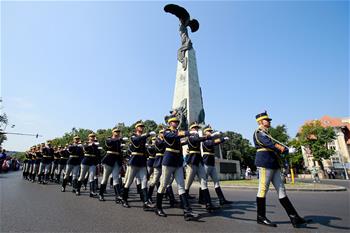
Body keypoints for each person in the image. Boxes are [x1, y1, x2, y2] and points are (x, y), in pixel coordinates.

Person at [253, 111, 311, 228]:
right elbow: (269, 145)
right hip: (265, 163)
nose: (269, 121)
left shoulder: (267, 133)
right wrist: (285, 150)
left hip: (274, 164)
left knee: (281, 190)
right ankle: (261, 217)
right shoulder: (259, 133)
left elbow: (273, 144)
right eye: (267, 120)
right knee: (263, 189)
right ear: (260, 122)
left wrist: (285, 149)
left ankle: (294, 217)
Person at [154, 116, 198, 221]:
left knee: (181, 186)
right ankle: (158, 207)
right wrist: (188, 132)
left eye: (177, 122)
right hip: (168, 161)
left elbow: (180, 140)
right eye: (174, 122)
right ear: (170, 123)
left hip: (178, 162)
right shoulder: (166, 132)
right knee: (163, 185)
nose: (176, 123)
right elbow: (174, 136)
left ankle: (187, 211)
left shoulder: (178, 133)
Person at [184, 122, 216, 212]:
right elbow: (197, 140)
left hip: (199, 161)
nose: (196, 129)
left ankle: (208, 203)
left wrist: (210, 136)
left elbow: (200, 140)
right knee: (188, 183)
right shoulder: (191, 137)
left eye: (197, 128)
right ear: (191, 129)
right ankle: (184, 201)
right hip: (192, 161)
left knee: (204, 182)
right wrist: (207, 136)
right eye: (194, 128)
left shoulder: (197, 136)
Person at [201, 126, 232, 206]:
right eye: (208, 131)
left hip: (212, 163)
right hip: (206, 162)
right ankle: (202, 199)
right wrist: (222, 139)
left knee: (216, 182)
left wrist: (221, 139)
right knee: (204, 182)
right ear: (205, 133)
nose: (210, 132)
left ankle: (222, 199)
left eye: (211, 131)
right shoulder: (205, 141)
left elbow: (214, 141)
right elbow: (213, 143)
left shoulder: (210, 139)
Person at [99, 127, 126, 203]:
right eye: (116, 131)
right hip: (109, 160)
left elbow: (120, 151)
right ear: (112, 132)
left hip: (117, 161)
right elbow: (109, 143)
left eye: (118, 131)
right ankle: (101, 194)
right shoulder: (109, 139)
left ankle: (118, 196)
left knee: (116, 178)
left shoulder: (119, 141)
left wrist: (122, 159)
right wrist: (118, 139)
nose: (117, 133)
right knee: (105, 178)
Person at [76, 133, 101, 197]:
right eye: (91, 137)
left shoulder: (95, 145)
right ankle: (77, 189)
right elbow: (85, 149)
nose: (93, 138)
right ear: (89, 137)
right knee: (82, 176)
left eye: (93, 137)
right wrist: (90, 144)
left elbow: (97, 154)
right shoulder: (85, 143)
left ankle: (92, 192)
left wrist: (98, 163)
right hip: (85, 161)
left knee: (92, 176)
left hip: (92, 162)